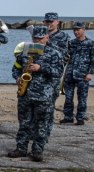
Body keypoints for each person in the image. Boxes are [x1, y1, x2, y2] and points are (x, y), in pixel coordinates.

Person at [7, 25, 63, 162]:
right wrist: (18, 77)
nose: (37, 41)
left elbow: (58, 72)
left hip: (44, 95)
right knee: (24, 122)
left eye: (40, 38)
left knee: (41, 123)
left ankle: (37, 150)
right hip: (25, 94)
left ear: (47, 37)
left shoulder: (54, 53)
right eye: (35, 38)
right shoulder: (26, 51)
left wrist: (41, 67)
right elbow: (16, 68)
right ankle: (21, 148)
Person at [61, 22, 94, 126]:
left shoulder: (91, 44)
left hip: (83, 75)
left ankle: (80, 118)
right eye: (74, 30)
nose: (76, 32)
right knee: (68, 97)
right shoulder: (71, 43)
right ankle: (68, 117)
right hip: (70, 74)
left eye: (78, 30)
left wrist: (90, 73)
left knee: (82, 98)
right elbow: (65, 58)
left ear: (84, 30)